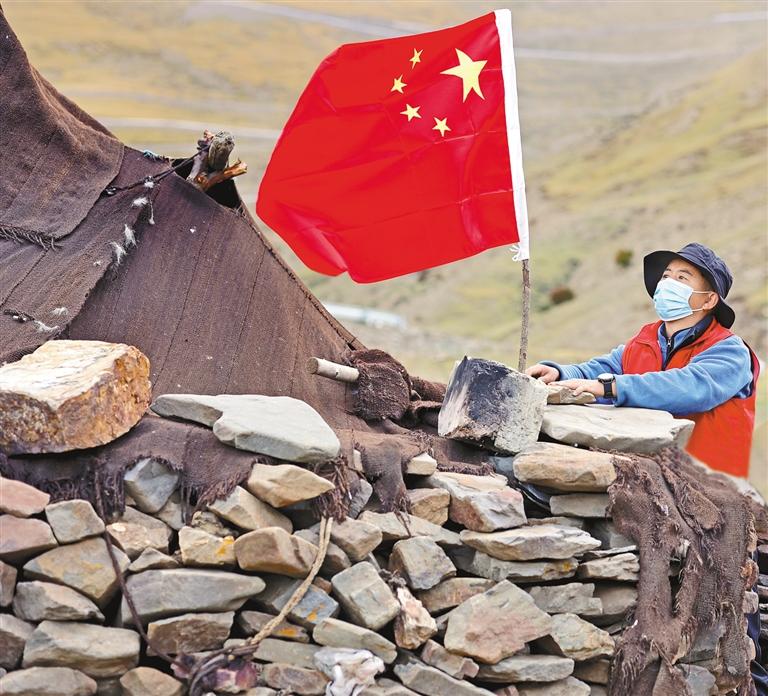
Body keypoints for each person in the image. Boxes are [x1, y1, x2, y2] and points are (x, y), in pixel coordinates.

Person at [526, 242, 760, 479]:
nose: (668, 283)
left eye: (682, 278)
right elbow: (603, 368)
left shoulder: (730, 351)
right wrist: (560, 373)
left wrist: (612, 387)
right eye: (666, 276)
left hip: (712, 484)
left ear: (708, 300)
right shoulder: (644, 340)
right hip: (652, 475)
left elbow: (690, 386)